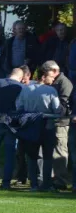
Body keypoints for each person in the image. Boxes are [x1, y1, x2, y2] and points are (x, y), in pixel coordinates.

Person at [16, 68, 61, 191]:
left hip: (30, 126)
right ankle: (46, 184)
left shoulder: (26, 89)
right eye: (51, 76)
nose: (53, 79)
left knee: (31, 156)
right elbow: (57, 109)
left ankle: (34, 184)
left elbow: (19, 105)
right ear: (43, 77)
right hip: (47, 126)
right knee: (47, 156)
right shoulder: (51, 90)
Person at [0, 68, 24, 189]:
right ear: (21, 77)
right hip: (11, 122)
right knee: (10, 154)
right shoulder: (21, 87)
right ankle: (6, 183)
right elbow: (21, 104)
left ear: (9, 74)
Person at [43, 60, 73, 189]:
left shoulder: (64, 82)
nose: (44, 75)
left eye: (46, 72)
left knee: (60, 151)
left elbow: (64, 103)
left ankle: (61, 181)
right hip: (55, 122)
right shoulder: (56, 82)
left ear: (55, 71)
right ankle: (55, 179)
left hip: (61, 123)